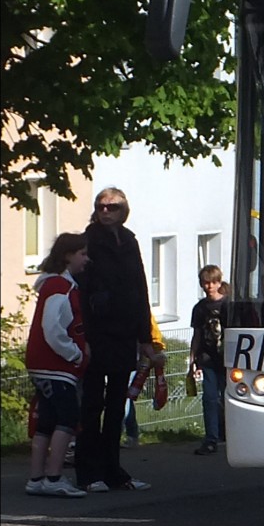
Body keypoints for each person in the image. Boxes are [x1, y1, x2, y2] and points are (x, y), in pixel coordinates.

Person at [74, 187, 161, 493]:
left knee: (116, 406)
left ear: (124, 210)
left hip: (124, 333)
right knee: (92, 404)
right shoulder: (88, 241)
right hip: (98, 333)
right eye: (101, 206)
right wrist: (84, 336)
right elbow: (81, 292)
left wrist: (145, 337)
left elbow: (140, 289)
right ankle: (87, 472)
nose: (106, 211)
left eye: (112, 207)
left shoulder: (129, 241)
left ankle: (113, 471)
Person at [24, 233, 92, 498]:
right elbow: (52, 327)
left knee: (47, 420)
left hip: (44, 364)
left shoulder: (54, 285)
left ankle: (36, 477)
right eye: (82, 254)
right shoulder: (60, 288)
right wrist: (75, 354)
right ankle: (53, 476)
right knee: (67, 418)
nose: (86, 259)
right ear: (67, 256)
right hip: (56, 366)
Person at [188, 265, 228, 455]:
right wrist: (192, 359)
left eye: (213, 282)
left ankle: (232, 435)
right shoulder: (200, 308)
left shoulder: (229, 305)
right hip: (208, 359)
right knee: (210, 398)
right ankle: (211, 439)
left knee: (230, 399)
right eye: (205, 283)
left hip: (229, 360)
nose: (209, 286)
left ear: (219, 283)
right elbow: (197, 335)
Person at [122, 307, 169, 448]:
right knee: (126, 397)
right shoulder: (139, 309)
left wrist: (154, 353)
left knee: (124, 396)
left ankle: (122, 432)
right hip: (132, 356)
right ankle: (131, 433)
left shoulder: (140, 311)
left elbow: (151, 333)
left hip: (133, 358)